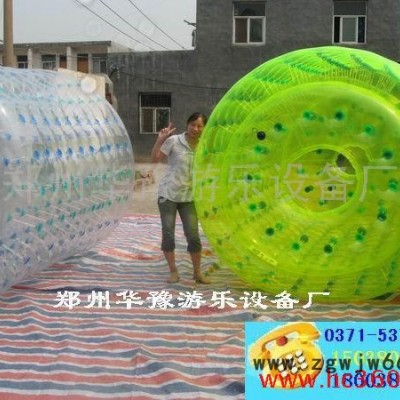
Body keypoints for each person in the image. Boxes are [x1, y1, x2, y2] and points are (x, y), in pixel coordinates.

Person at [151, 112, 210, 284]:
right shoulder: (174, 141)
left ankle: (197, 273)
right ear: (187, 124)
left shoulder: (205, 146)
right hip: (168, 194)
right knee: (168, 234)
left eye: (199, 126)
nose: (195, 129)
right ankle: (173, 271)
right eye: (193, 124)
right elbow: (155, 159)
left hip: (189, 196)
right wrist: (160, 140)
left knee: (193, 235)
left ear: (204, 128)